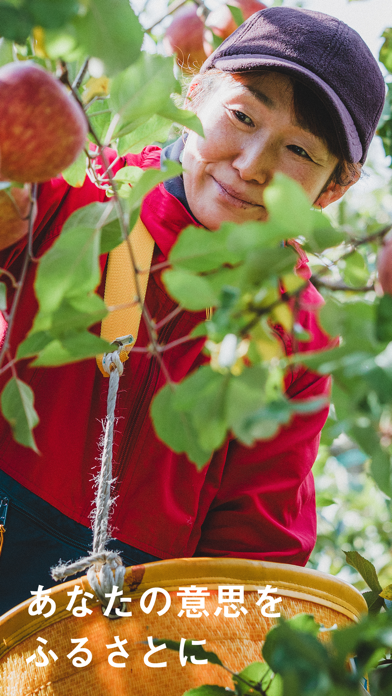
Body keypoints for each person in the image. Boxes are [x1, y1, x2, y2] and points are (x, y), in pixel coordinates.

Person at [0, 7, 385, 615]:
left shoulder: (296, 333)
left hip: (129, 617)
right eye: (241, 116)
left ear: (333, 188)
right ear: (195, 91)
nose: (252, 164)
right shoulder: (81, 197)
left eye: (299, 151)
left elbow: (253, 550)